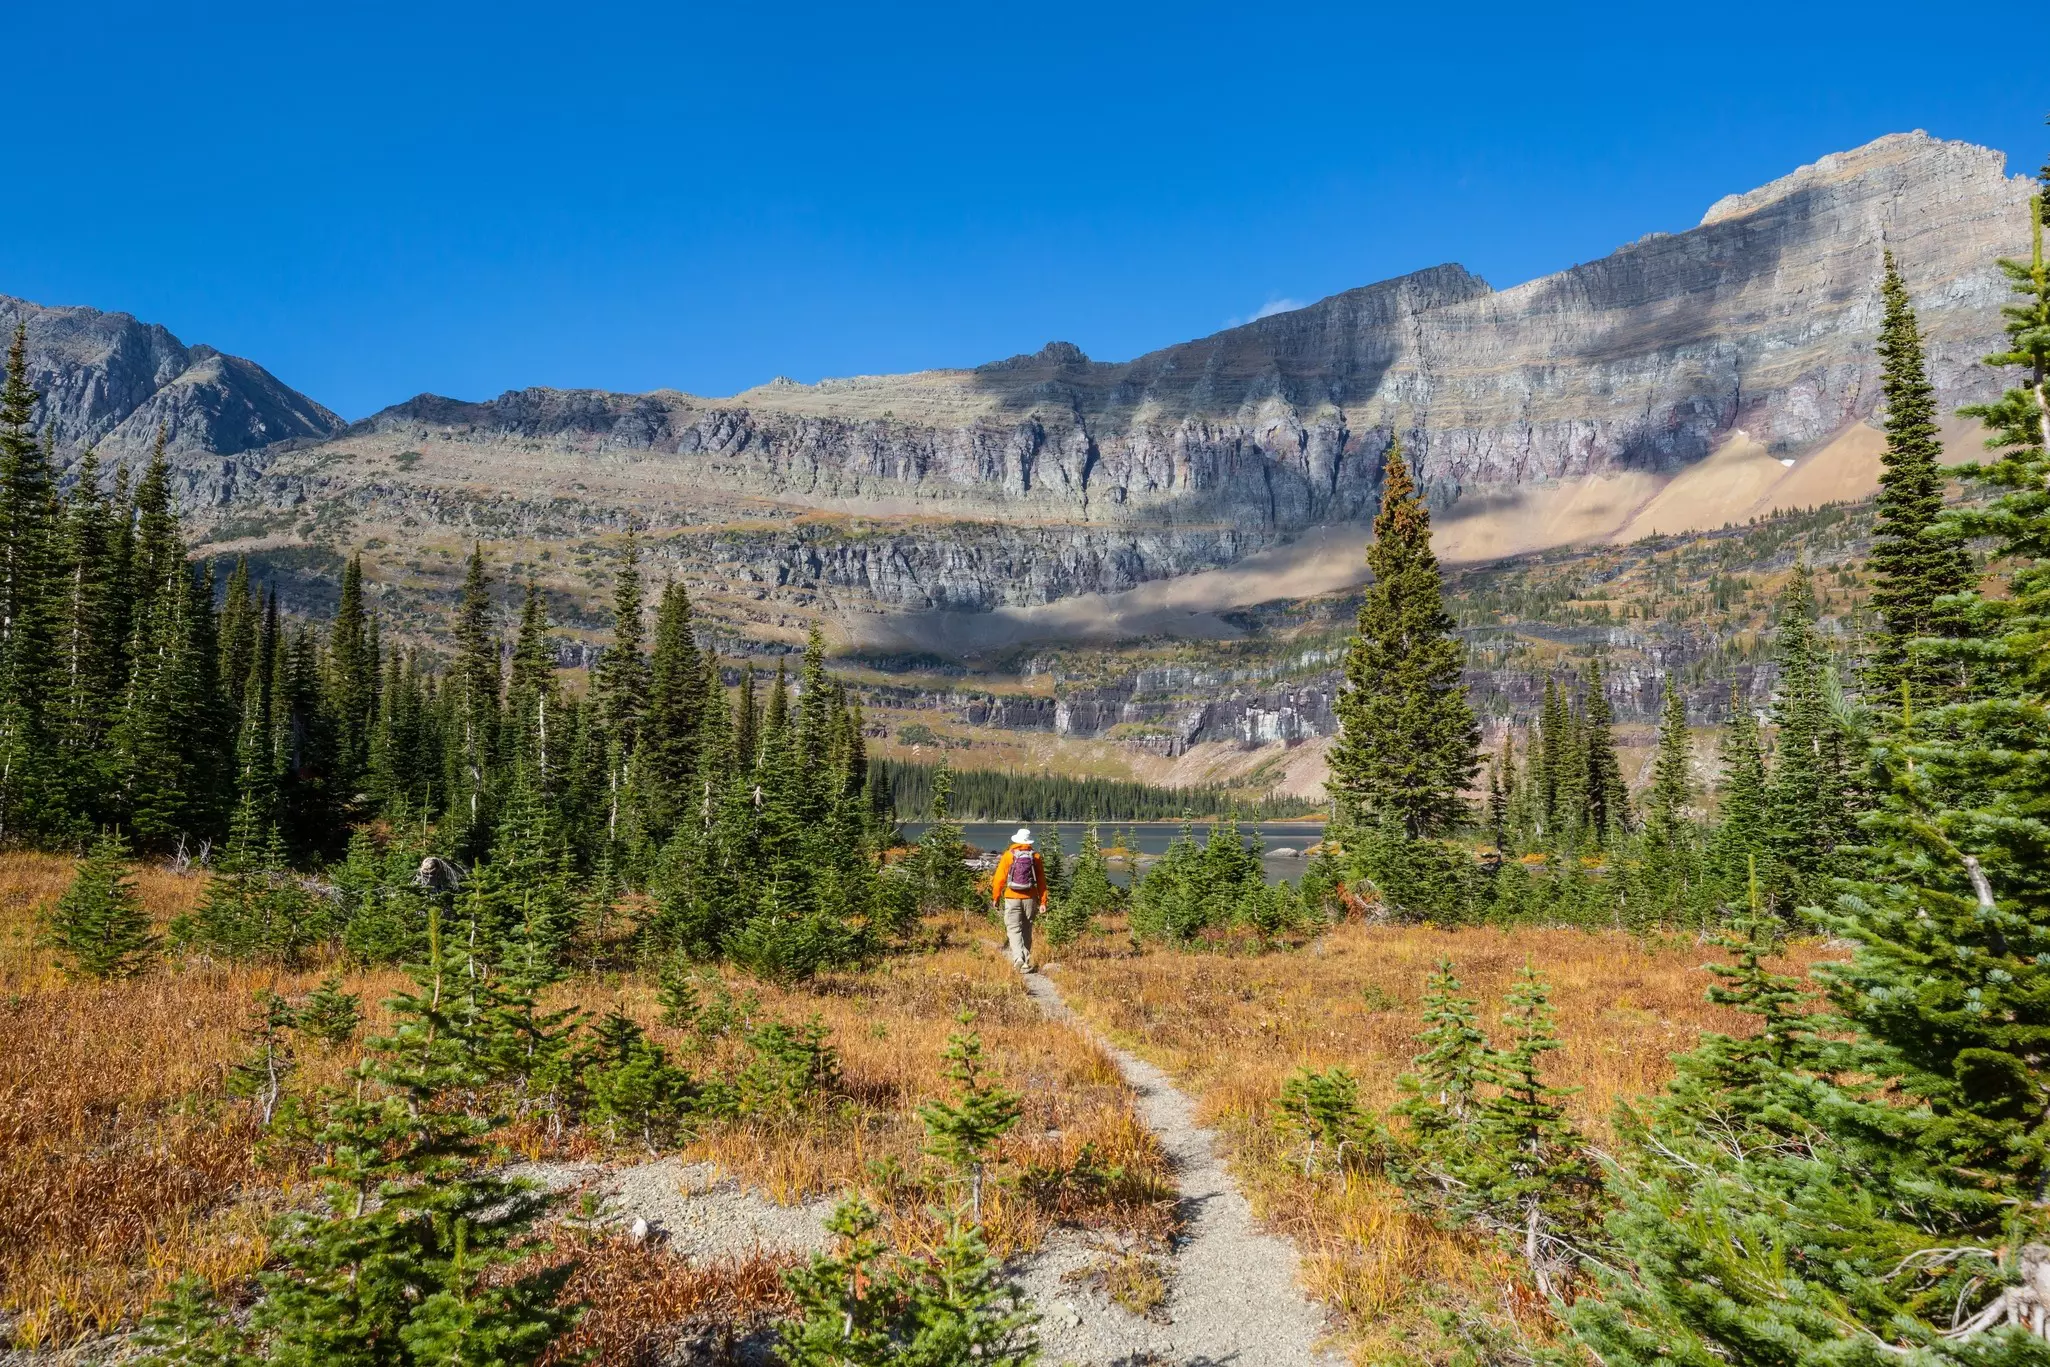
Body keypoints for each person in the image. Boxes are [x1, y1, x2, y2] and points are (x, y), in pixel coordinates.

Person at [989, 827, 1043, 974]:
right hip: (1030, 898)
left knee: (1013, 929)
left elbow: (999, 879)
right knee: (1027, 928)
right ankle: (1025, 962)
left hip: (1011, 897)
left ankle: (1018, 957)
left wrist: (996, 897)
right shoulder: (1035, 856)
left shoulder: (1008, 855)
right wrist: (1043, 901)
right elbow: (1041, 881)